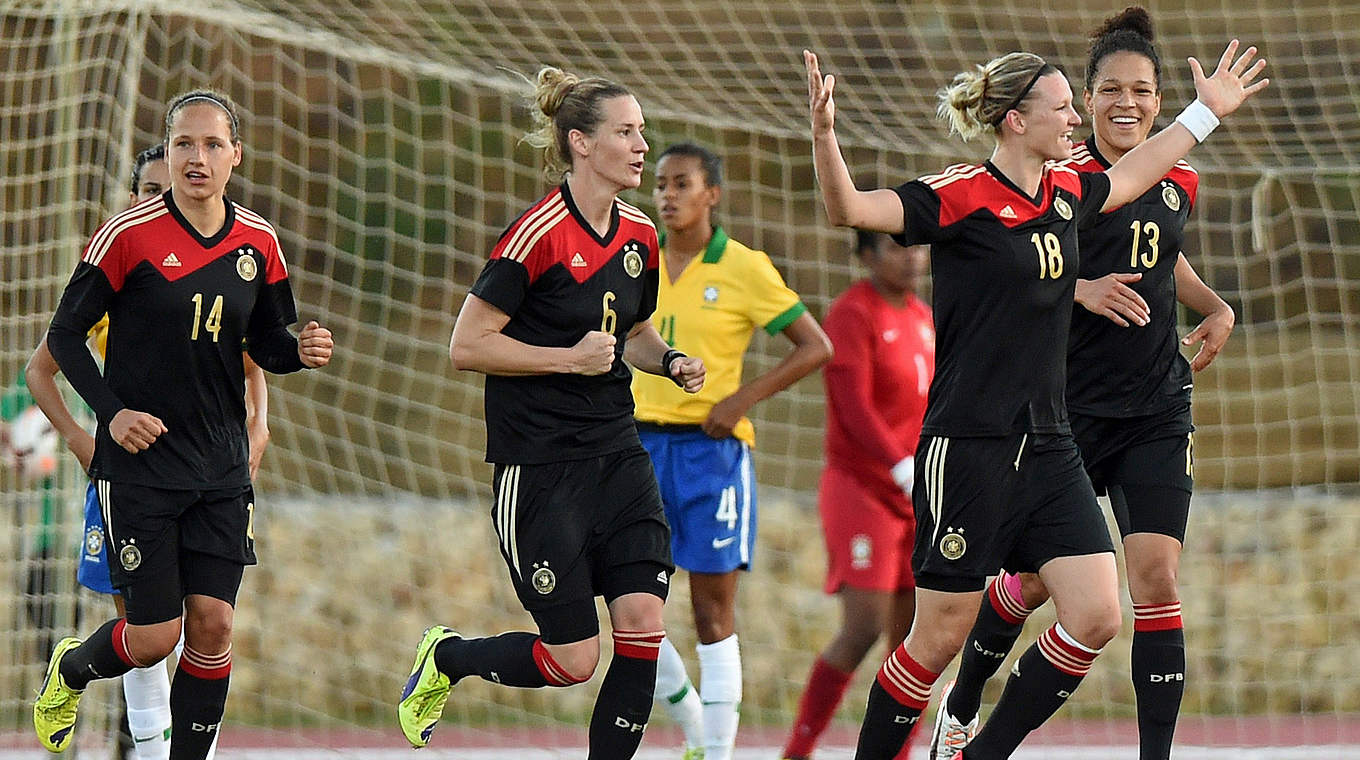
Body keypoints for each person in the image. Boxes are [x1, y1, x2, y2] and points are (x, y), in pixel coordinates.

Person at [802, 30, 1265, 759]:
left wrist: (1205, 115)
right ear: (1017, 119)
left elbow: (1144, 169)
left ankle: (981, 750)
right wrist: (825, 136)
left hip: (1051, 446)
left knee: (1097, 612)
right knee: (938, 637)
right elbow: (849, 209)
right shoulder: (959, 196)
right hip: (969, 443)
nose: (1075, 121)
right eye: (1062, 108)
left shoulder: (1068, 192)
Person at [932, 9, 1238, 760]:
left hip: (1156, 408)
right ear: (1087, 101)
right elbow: (1007, 263)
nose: (1125, 102)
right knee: (1031, 585)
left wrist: (1215, 305)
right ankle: (964, 704)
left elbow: (1164, 256)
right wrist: (1079, 285)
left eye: (1140, 89)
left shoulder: (1178, 175)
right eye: (1108, 90)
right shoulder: (1057, 181)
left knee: (1157, 578)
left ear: (1159, 99)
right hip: (1062, 415)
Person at [397, 66, 706, 758]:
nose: (641, 146)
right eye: (626, 132)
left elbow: (633, 334)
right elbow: (466, 345)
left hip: (619, 455)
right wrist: (566, 359)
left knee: (643, 626)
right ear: (580, 143)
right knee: (573, 660)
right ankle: (448, 658)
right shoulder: (535, 235)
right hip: (540, 466)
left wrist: (673, 360)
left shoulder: (639, 235)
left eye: (642, 131)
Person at [32, 88, 333, 759]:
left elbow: (268, 345)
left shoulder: (259, 240)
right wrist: (110, 417)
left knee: (215, 625)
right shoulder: (126, 235)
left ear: (236, 156)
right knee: (152, 639)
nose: (197, 157)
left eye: (212, 144)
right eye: (183, 144)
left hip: (221, 465)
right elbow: (64, 337)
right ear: (168, 154)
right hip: (141, 470)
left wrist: (301, 352)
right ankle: (73, 669)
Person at [636, 142, 832, 760]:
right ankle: (695, 726)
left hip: (712, 456)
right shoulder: (637, 260)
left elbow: (814, 346)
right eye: (661, 184)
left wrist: (740, 400)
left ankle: (716, 752)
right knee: (628, 600)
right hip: (635, 447)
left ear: (712, 194)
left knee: (710, 610)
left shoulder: (744, 268)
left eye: (681, 184)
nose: (667, 196)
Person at [782, 232, 933, 760]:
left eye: (917, 246)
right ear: (868, 256)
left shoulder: (923, 316)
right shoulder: (853, 313)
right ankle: (797, 751)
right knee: (863, 627)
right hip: (863, 489)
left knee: (916, 640)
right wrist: (899, 466)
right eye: (897, 247)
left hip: (917, 493)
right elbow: (851, 403)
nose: (913, 256)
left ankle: (899, 752)